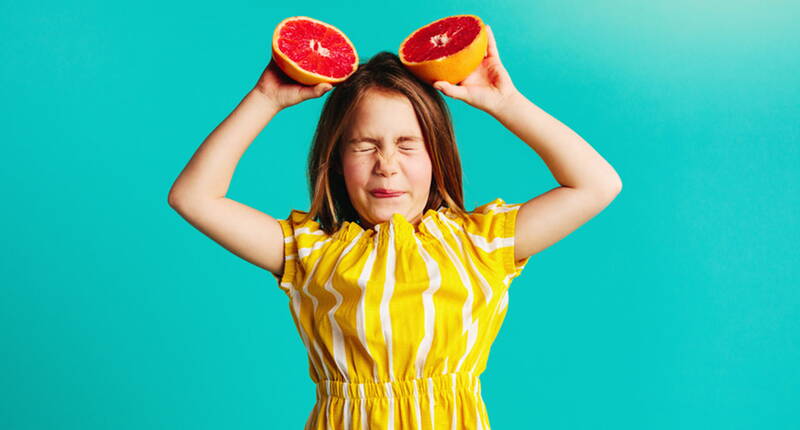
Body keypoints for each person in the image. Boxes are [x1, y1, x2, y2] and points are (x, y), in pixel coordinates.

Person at [168, 24, 621, 430]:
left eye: (408, 145)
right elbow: (193, 196)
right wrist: (264, 99)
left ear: (437, 155)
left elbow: (596, 184)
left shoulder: (481, 243)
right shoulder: (310, 251)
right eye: (364, 146)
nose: (387, 166)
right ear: (336, 161)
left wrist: (506, 103)